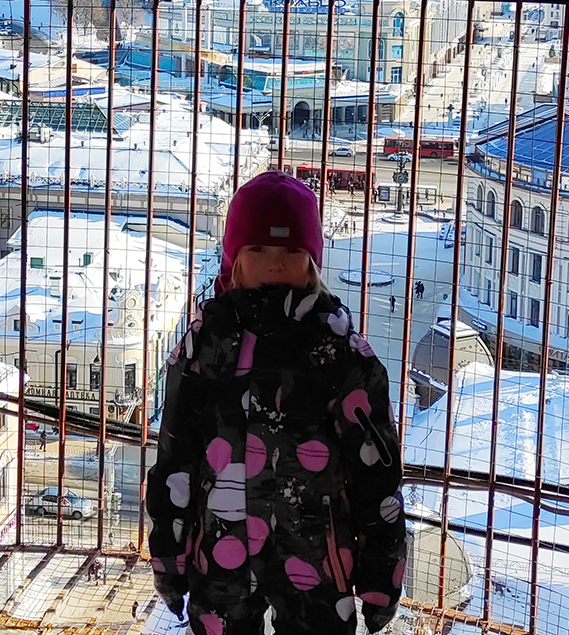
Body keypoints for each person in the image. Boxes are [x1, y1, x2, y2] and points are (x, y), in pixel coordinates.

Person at [146, 171, 405, 635]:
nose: (274, 266)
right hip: (220, 555)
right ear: (235, 260)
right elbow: (175, 456)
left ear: (312, 262)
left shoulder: (338, 348)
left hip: (318, 563)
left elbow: (376, 470)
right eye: (259, 251)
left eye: (291, 253)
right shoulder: (208, 342)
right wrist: (170, 553)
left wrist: (380, 576)